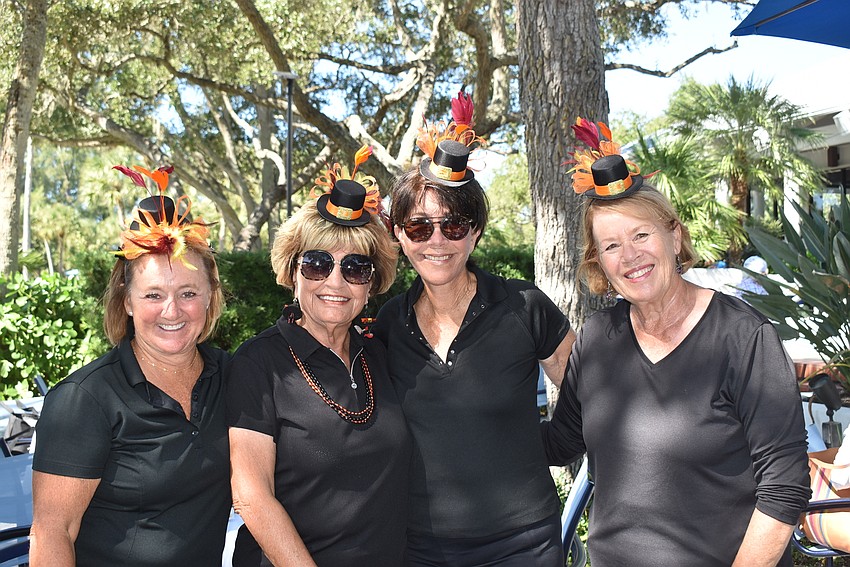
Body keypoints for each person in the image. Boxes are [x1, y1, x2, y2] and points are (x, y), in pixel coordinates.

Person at [543, 118, 811, 566]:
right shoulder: (597, 338)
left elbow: (783, 485)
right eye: (610, 246)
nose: (629, 256)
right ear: (599, 262)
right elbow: (561, 442)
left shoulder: (743, 338)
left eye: (641, 235)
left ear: (674, 235)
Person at [373, 91, 576, 566]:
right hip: (419, 546)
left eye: (454, 224)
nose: (437, 240)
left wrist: (552, 443)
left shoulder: (525, 307)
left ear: (476, 231)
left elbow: (587, 389)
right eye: (419, 227)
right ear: (399, 235)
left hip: (524, 543)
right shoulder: (387, 324)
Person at [31, 165, 231, 566]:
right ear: (126, 301)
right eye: (153, 294)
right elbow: (52, 533)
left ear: (210, 295)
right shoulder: (83, 400)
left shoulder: (232, 376)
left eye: (188, 292)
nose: (172, 311)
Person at [227, 147, 411, 567]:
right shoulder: (259, 363)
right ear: (293, 272)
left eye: (356, 268)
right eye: (317, 263)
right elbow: (251, 496)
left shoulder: (379, 355)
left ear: (371, 284)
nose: (336, 281)